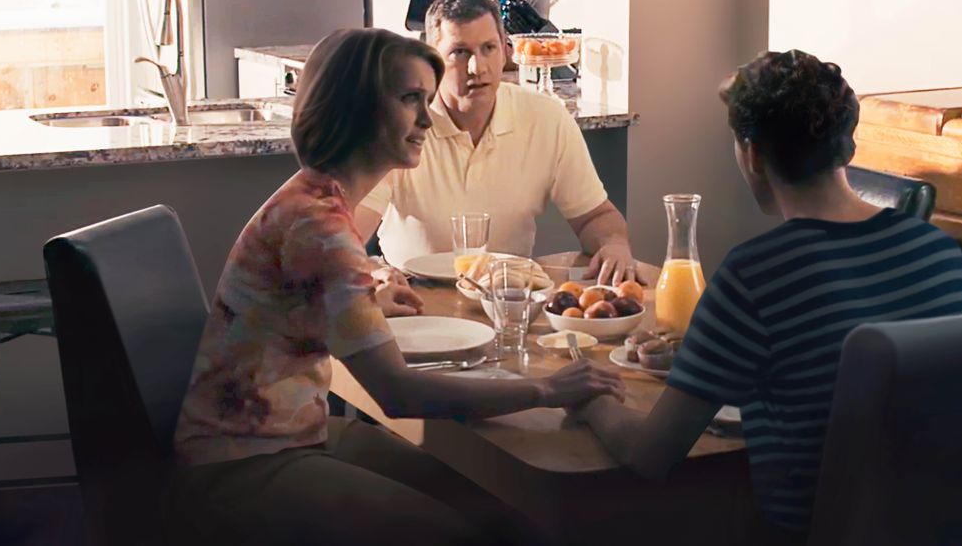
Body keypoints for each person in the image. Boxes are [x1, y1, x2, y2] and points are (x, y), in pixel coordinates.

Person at [167, 28, 625, 546]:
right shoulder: (321, 230)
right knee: (465, 533)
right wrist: (546, 390)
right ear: (358, 107)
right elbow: (398, 392)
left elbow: (312, 305)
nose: (428, 120)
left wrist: (366, 300)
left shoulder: (316, 202)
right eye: (411, 100)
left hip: (291, 434)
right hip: (243, 464)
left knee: (496, 506)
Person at [568, 50, 962, 544]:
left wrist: (591, 401)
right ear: (847, 147)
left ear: (752, 154)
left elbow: (652, 455)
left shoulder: (756, 274)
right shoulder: (938, 252)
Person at [354, 0, 643, 286]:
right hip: (414, 295)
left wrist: (614, 245)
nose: (477, 67)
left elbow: (596, 217)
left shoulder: (546, 118)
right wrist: (374, 270)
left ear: (506, 52)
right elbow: (346, 234)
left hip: (508, 295)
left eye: (488, 48)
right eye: (460, 52)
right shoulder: (400, 123)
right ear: (432, 59)